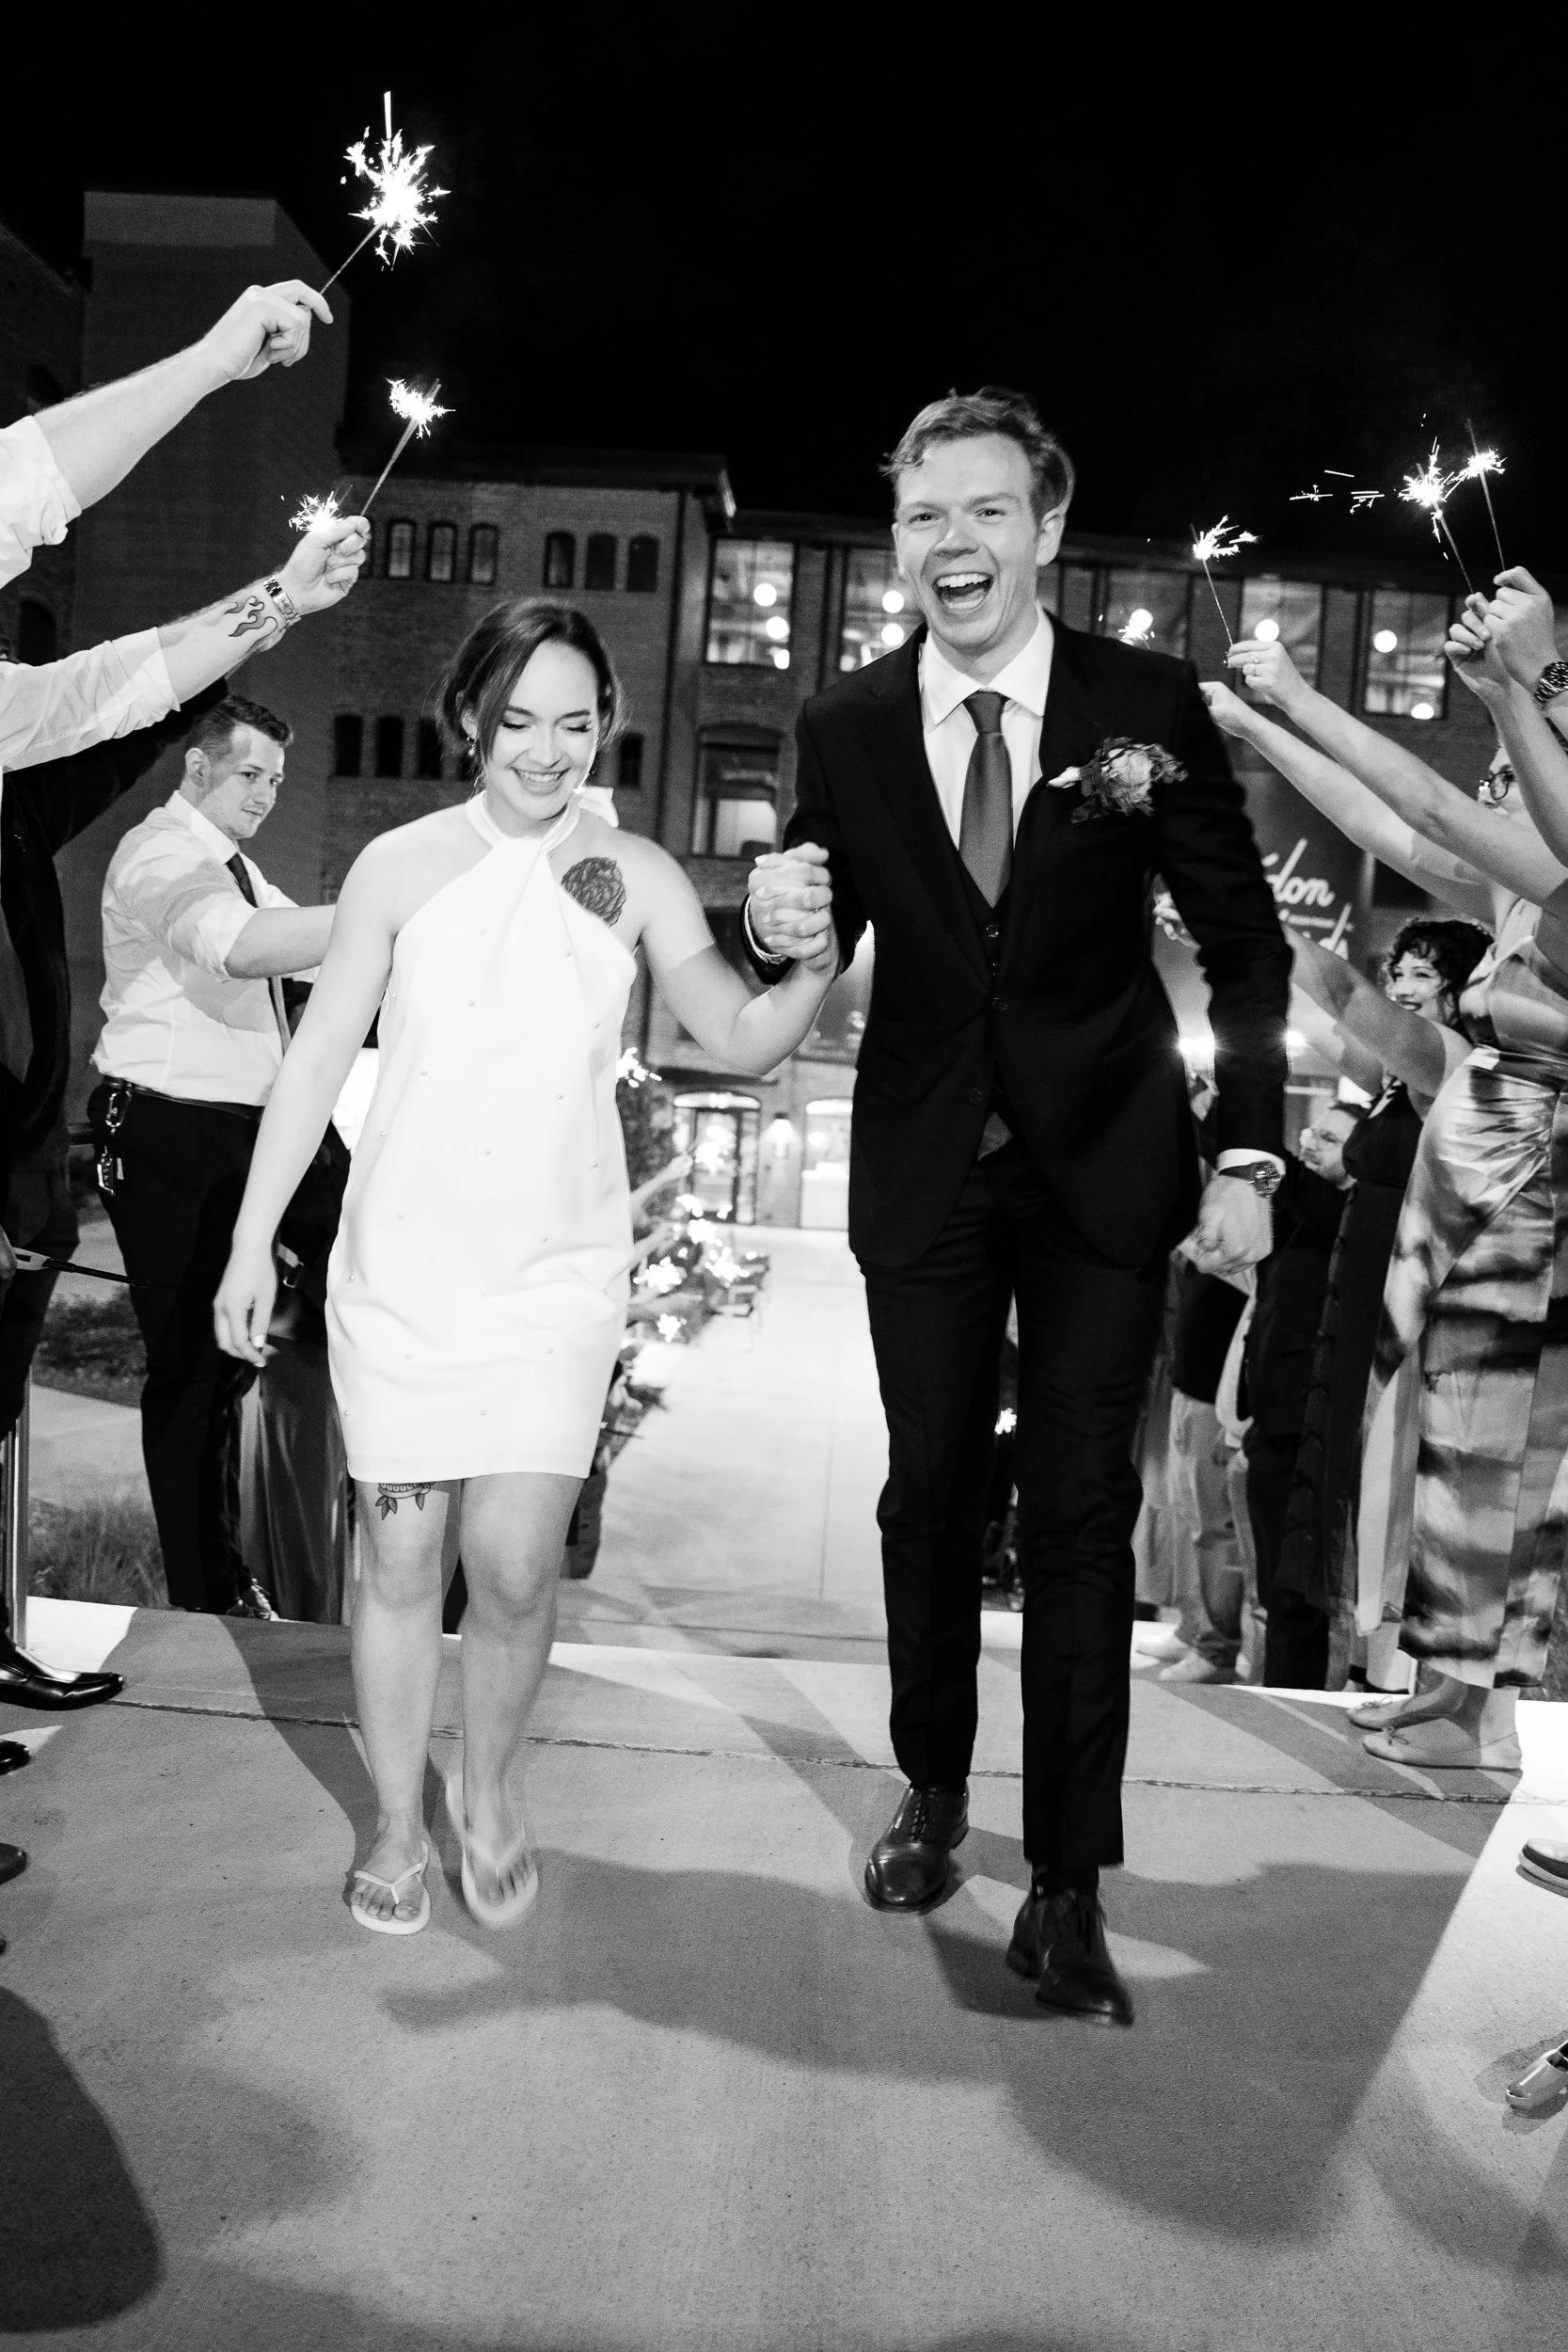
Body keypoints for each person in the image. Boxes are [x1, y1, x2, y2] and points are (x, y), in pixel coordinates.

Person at [744, 389, 1290, 2027]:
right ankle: (929, 1786)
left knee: (1068, 1520)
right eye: (923, 516)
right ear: (897, 539)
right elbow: (811, 930)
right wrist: (769, 911)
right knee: (923, 1498)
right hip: (924, 1171)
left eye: (984, 512)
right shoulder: (840, 726)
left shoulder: (1138, 710)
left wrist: (1249, 1156)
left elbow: (1244, 948)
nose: (951, 545)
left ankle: (1065, 1879)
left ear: (1045, 529)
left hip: (1105, 1172)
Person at [213, 600, 838, 1936]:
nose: (545, 750)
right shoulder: (397, 866)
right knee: (399, 1563)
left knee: (509, 1567)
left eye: (574, 720)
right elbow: (316, 1059)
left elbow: (730, 1035)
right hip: (401, 1271)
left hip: (556, 1273)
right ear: (469, 723)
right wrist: (252, 1234)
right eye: (517, 721)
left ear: (604, 725)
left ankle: (486, 1792)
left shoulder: (639, 873)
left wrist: (815, 971)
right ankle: (395, 1823)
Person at [1215, 625, 1568, 1767]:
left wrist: (1302, 698)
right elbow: (1388, 821)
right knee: (1453, 1438)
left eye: (1513, 770)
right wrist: (1254, 727)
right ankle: (1454, 1694)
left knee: (1499, 1451)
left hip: (1529, 1183)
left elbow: (1423, 803)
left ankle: (1474, 1710)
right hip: (1485, 1173)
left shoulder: (1553, 882)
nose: (1494, 784)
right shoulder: (1524, 899)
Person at [87, 696, 344, 1617]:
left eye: (277, 778)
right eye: (251, 774)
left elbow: (318, 958)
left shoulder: (242, 870)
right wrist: (381, 911)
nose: (269, 794)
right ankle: (210, 1596)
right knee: (194, 1366)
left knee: (334, 1273)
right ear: (197, 770)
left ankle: (260, 1557)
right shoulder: (162, 857)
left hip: (254, 1130)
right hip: (166, 1131)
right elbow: (236, 948)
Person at [0, 672, 226, 1705]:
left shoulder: (16, 813)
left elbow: (110, 738)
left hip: (26, 1171)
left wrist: (239, 639)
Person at [1274, 919, 1490, 1697]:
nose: (1399, 986)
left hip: (1411, 1310)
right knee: (1353, 1481)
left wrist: (1244, 904)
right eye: (1394, 970)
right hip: (1357, 1299)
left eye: (1420, 975)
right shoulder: (1395, 1081)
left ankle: (1404, 1680)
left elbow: (1344, 996)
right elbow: (1314, 1018)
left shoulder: (1452, 1067)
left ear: (1464, 986)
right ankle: (1371, 1671)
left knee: (1393, 1484)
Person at [1237, 1102, 1361, 1687]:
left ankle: (1293, 1699)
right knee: (1272, 1586)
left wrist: (1246, 1116)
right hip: (1269, 1420)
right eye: (1314, 1132)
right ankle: (1278, 1691)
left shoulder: (1339, 1213)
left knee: (1292, 1593)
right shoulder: (1298, 1219)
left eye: (1330, 1140)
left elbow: (1280, 1175)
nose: (1313, 1144)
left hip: (1303, 1424)